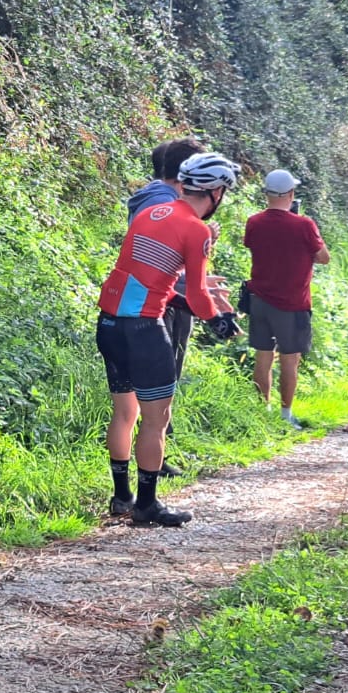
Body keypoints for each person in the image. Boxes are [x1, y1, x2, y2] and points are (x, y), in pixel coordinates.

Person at [97, 152, 241, 527]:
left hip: (109, 323)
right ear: (215, 193)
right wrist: (219, 321)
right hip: (144, 329)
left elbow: (144, 277)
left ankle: (121, 496)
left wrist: (185, 304)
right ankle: (146, 505)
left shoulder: (148, 213)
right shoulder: (198, 230)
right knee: (156, 418)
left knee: (125, 412)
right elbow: (197, 292)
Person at [126, 138, 208, 472]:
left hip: (159, 297)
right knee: (161, 379)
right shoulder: (165, 201)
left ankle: (156, 453)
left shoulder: (152, 196)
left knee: (159, 379)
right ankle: (153, 461)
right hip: (163, 300)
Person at [242, 169, 331, 429]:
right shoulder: (304, 225)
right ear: (291, 194)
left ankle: (262, 411)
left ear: (266, 194)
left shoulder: (254, 222)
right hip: (293, 303)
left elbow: (254, 245)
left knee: (263, 355)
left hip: (259, 299)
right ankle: (285, 414)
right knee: (290, 359)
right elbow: (324, 257)